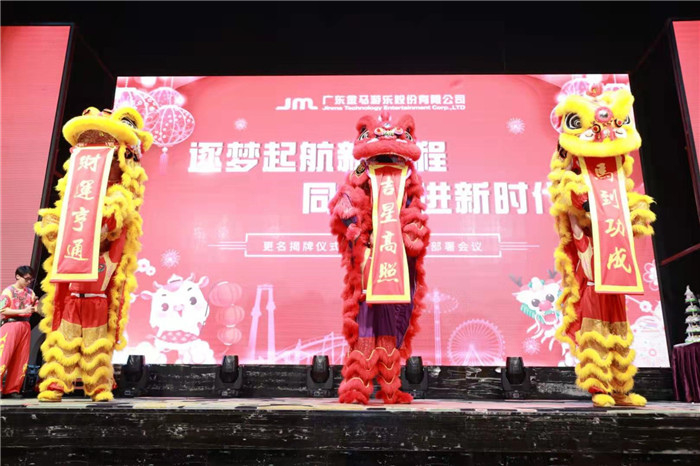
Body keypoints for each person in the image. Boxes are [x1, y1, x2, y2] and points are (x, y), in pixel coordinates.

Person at [35, 106, 152, 402]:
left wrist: (99, 220)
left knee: (96, 334)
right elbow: (56, 232)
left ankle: (98, 383)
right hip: (73, 285)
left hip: (99, 284)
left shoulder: (119, 198)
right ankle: (55, 382)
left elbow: (112, 223)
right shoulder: (74, 200)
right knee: (65, 330)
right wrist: (54, 226)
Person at [329, 112, 430, 404]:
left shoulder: (408, 177)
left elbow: (414, 212)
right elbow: (344, 203)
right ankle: (357, 385)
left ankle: (389, 386)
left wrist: (412, 232)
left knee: (391, 320)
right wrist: (353, 224)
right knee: (364, 321)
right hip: (368, 256)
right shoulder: (361, 174)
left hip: (395, 260)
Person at [0, 266, 38, 398]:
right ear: (17, 276)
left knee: (21, 358)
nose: (28, 281)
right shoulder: (8, 291)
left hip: (25, 326)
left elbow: (37, 307)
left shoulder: (30, 293)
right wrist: (22, 311)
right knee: (3, 357)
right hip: (11, 325)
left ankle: (12, 389)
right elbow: (2, 309)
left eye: (30, 279)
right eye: (26, 279)